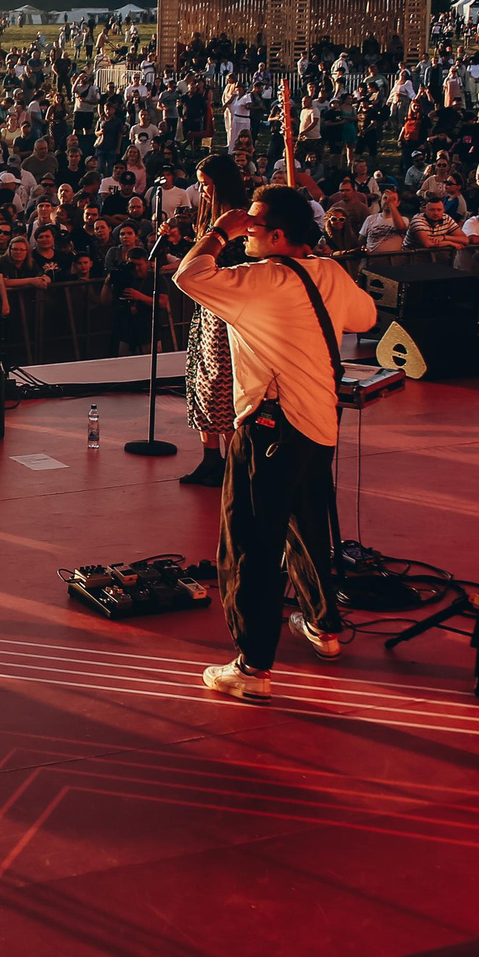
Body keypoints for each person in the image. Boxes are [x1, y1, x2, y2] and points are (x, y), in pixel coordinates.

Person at [172, 184, 379, 702]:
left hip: (270, 424)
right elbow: (366, 317)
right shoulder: (328, 272)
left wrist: (218, 231)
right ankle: (323, 627)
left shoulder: (260, 280)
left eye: (254, 225)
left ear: (279, 236)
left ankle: (253, 666)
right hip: (318, 423)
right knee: (307, 528)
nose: (246, 231)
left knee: (250, 542)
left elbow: (188, 276)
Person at [180, 153, 253, 490]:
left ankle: (234, 461)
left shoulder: (239, 218)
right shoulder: (208, 218)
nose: (203, 191)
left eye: (207, 184)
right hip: (205, 312)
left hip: (227, 314)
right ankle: (210, 457)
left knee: (222, 386)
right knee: (201, 382)